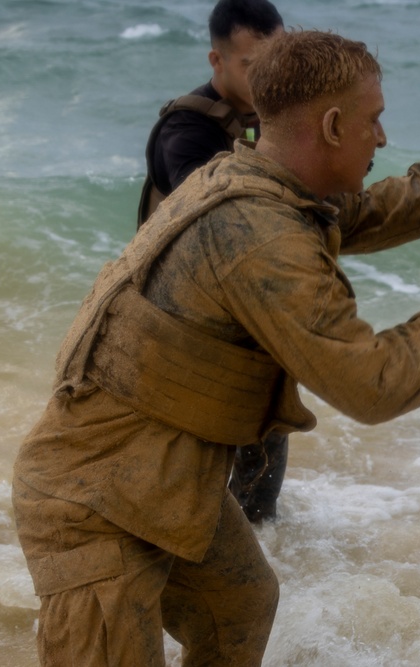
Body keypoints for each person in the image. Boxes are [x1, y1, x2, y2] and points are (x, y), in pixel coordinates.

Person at [13, 29, 420, 666]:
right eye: (375, 121)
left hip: (157, 478)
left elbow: (369, 211)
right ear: (333, 126)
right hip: (92, 502)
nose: (384, 139)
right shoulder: (256, 233)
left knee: (240, 605)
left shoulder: (254, 179)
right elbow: (370, 385)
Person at [138, 0, 287, 522]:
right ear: (216, 61)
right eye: (252, 66)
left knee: (261, 482)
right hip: (186, 325)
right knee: (183, 480)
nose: (267, 77)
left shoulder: (273, 117)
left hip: (253, 316)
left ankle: (264, 546)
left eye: (276, 61)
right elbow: (212, 217)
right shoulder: (188, 131)